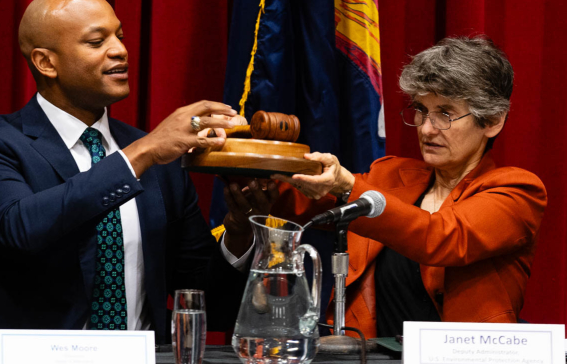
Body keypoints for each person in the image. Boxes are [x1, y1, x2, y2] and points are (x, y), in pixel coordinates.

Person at [0, 0, 254, 343]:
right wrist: (143, 153)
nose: (120, 49)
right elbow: (20, 228)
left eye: (119, 36)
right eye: (96, 41)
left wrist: (240, 229)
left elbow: (205, 300)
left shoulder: (158, 160)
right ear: (46, 63)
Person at [224, 36, 546, 337]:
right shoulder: (390, 175)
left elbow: (442, 238)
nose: (427, 129)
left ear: (492, 121)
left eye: (445, 113)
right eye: (421, 110)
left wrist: (348, 185)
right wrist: (236, 154)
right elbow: (298, 200)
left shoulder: (518, 192)